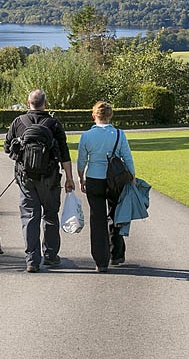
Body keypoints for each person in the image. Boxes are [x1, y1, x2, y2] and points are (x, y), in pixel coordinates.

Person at [4, 89, 75, 272]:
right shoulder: (54, 124)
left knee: (29, 217)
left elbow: (7, 148)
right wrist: (69, 178)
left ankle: (32, 260)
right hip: (50, 178)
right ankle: (51, 256)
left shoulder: (18, 122)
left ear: (28, 103)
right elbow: (64, 153)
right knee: (50, 215)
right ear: (46, 103)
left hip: (25, 178)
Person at [77, 101, 136, 272]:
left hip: (94, 178)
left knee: (97, 218)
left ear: (94, 115)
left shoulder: (86, 136)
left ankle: (100, 260)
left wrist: (81, 178)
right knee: (116, 214)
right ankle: (116, 253)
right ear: (110, 116)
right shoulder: (118, 134)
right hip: (115, 179)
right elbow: (127, 157)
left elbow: (82, 160)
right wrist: (132, 176)